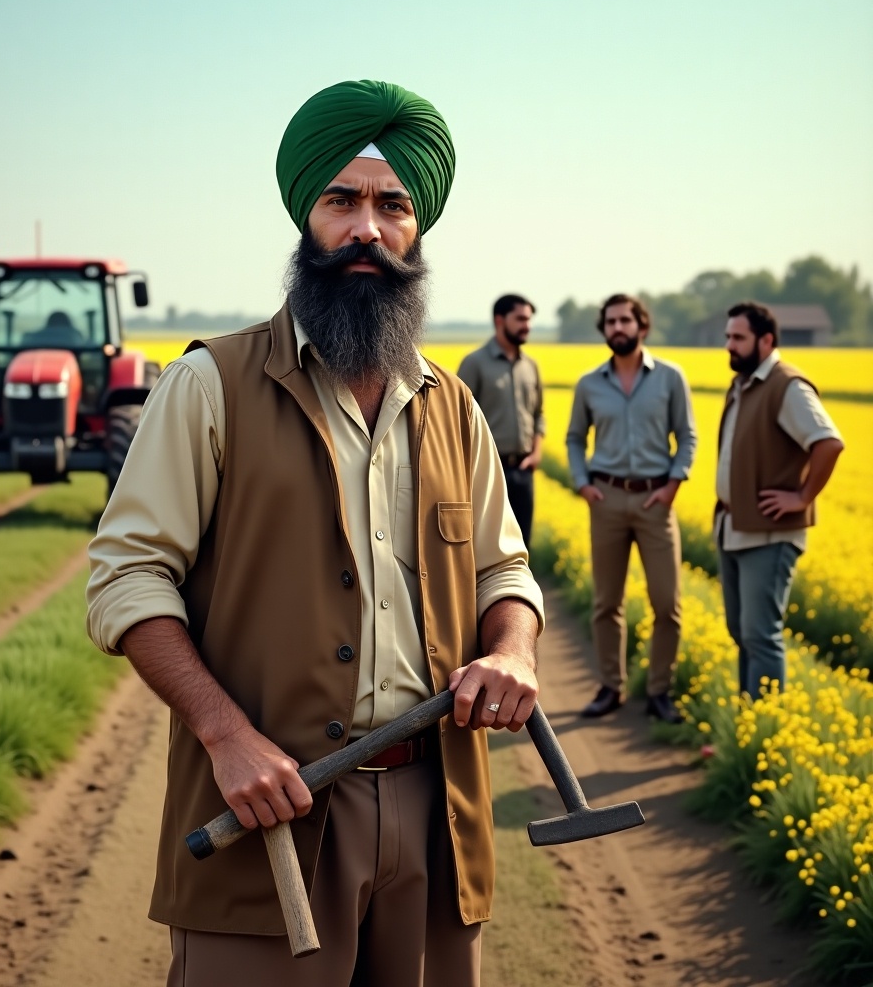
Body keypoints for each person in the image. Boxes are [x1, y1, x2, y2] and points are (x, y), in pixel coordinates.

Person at [86, 79, 544, 987]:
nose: (366, 227)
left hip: (437, 810)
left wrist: (517, 651)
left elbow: (506, 571)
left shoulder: (452, 406)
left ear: (418, 227)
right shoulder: (210, 385)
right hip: (272, 814)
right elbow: (127, 580)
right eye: (342, 200)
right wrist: (224, 735)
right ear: (308, 216)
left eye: (392, 204)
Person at [565, 293, 696, 724]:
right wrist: (583, 484)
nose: (618, 328)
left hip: (656, 500)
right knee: (607, 602)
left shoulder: (670, 378)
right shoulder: (589, 384)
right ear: (604, 330)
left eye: (626, 320)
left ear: (642, 326)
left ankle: (660, 692)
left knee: (667, 604)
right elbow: (573, 438)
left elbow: (687, 437)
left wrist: (674, 485)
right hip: (606, 499)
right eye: (611, 322)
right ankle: (611, 688)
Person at [716, 301, 843, 700]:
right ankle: (748, 721)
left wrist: (803, 496)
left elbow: (828, 442)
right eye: (728, 337)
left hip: (769, 535)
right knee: (742, 633)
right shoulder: (745, 382)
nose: (729, 346)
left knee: (760, 635)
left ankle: (763, 731)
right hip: (735, 529)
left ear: (766, 340)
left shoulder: (787, 384)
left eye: (738, 338)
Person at [457, 294, 545, 546]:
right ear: (499, 320)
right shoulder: (474, 364)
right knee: (484, 548)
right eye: (520, 319)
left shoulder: (531, 366)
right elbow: (457, 417)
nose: (526, 325)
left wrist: (536, 452)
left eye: (528, 320)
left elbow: (539, 415)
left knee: (522, 546)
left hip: (523, 471)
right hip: (486, 472)